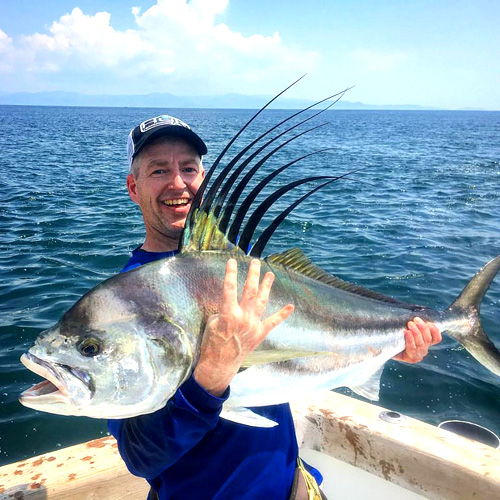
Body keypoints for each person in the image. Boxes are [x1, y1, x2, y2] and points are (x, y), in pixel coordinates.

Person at [108, 115, 442, 500]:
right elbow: (140, 454)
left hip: (297, 488)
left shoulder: (242, 268)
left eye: (188, 168)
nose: (178, 182)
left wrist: (386, 344)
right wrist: (209, 379)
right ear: (134, 187)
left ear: (202, 178)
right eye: (159, 170)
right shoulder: (124, 303)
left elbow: (314, 338)